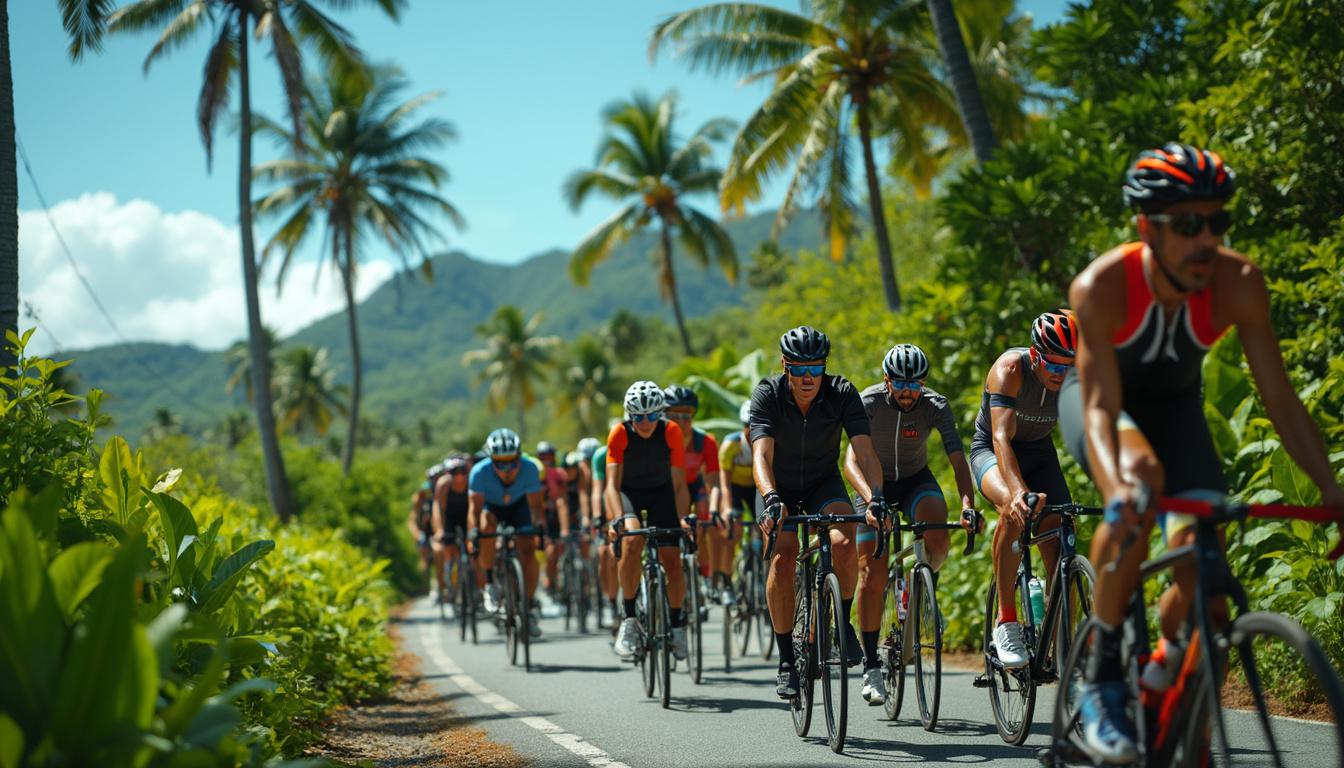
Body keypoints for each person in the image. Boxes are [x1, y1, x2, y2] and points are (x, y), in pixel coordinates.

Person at [1062, 143, 1344, 763]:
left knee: (1208, 593)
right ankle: (1103, 676)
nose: (1206, 240)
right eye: (1188, 225)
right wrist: (1117, 496)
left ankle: (1164, 674)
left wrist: (1332, 491)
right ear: (1146, 229)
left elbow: (1281, 400)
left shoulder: (1238, 282)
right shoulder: (1102, 286)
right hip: (1099, 404)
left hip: (1177, 411)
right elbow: (1104, 409)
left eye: (1218, 221)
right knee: (1140, 480)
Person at [749, 326, 887, 699]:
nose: (808, 378)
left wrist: (876, 498)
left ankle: (839, 623)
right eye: (799, 369)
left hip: (822, 483)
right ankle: (785, 662)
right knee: (784, 556)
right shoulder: (768, 395)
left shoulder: (842, 392)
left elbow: (865, 451)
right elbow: (760, 455)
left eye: (815, 369)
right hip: (779, 487)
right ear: (785, 366)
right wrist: (771, 497)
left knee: (844, 542)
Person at [845, 343, 979, 704]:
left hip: (916, 479)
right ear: (886, 380)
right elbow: (851, 462)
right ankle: (872, 663)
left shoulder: (935, 405)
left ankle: (922, 589)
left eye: (915, 384)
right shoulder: (868, 402)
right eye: (900, 384)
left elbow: (957, 459)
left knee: (936, 520)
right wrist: (872, 498)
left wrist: (968, 505)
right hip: (873, 483)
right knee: (870, 574)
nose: (907, 392)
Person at [969, 310, 1079, 671]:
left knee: (1063, 535)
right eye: (1054, 366)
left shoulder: (1076, 374)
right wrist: (1017, 493)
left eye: (1069, 367)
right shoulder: (1010, 369)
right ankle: (1007, 621)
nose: (1061, 375)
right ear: (1034, 355)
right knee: (1013, 512)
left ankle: (1061, 632)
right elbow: (1001, 436)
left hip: (1040, 454)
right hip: (993, 450)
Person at [605, 382, 692, 661]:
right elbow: (611, 485)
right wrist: (616, 520)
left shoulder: (671, 431)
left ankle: (677, 624)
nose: (644, 423)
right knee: (631, 542)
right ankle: (629, 619)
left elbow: (679, 484)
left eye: (651, 416)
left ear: (661, 414)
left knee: (672, 559)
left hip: (662, 495)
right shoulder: (619, 433)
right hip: (628, 493)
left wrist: (682, 518)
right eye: (637, 417)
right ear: (629, 416)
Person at [467, 428, 546, 639]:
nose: (507, 468)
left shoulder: (529, 469)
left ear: (520, 457)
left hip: (519, 507)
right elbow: (474, 511)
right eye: (500, 463)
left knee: (528, 551)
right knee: (486, 525)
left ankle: (528, 607)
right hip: (491, 508)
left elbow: (536, 507)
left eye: (512, 461)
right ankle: (491, 581)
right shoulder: (479, 473)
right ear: (491, 460)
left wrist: (539, 527)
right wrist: (474, 533)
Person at [663, 384, 723, 601]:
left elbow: (714, 482)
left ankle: (704, 574)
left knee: (703, 519)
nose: (680, 421)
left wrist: (715, 510)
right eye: (674, 415)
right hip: (665, 488)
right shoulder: (658, 439)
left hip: (693, 486)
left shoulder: (705, 442)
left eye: (686, 415)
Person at [717, 400, 759, 605]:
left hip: (756, 488)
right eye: (750, 428)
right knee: (732, 531)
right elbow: (724, 484)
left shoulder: (768, 441)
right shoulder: (730, 446)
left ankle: (765, 571)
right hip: (734, 488)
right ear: (743, 427)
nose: (754, 433)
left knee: (767, 528)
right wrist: (727, 510)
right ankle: (726, 583)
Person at [432, 455, 473, 602]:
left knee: (473, 550)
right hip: (450, 518)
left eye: (463, 472)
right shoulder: (444, 484)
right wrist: (439, 530)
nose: (460, 476)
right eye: (455, 472)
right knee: (448, 549)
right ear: (449, 473)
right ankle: (448, 582)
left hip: (466, 516)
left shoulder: (471, 482)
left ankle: (474, 587)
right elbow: (437, 508)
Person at [536, 441, 570, 599]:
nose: (547, 459)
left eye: (550, 455)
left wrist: (565, 530)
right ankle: (550, 580)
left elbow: (562, 500)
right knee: (550, 551)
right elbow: (538, 505)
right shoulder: (537, 475)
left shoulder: (560, 474)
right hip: (544, 514)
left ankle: (560, 579)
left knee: (561, 548)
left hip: (558, 513)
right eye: (543, 456)